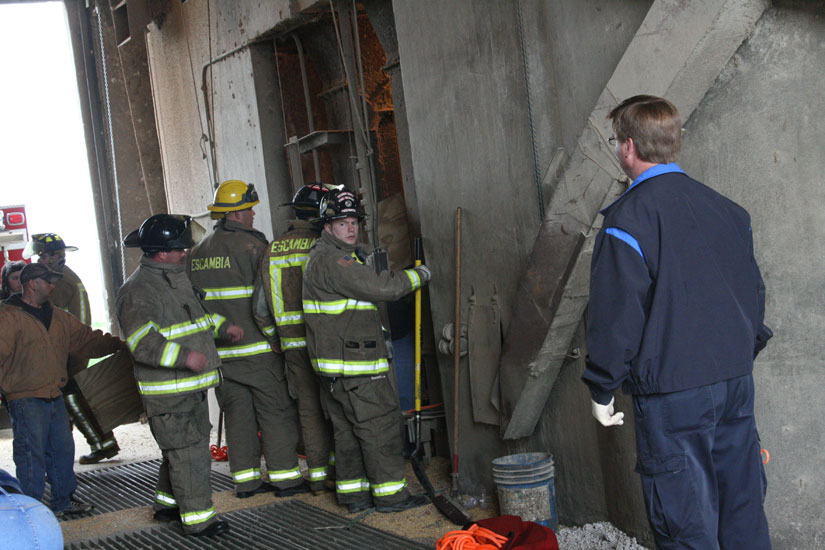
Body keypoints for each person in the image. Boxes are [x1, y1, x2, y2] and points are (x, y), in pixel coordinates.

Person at [581, 95, 772, 549]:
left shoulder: (627, 220)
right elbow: (753, 294)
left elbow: (616, 317)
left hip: (674, 397)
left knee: (686, 524)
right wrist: (738, 356)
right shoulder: (729, 211)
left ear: (628, 146)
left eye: (616, 141)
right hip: (735, 384)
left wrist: (602, 388)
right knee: (743, 512)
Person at [302, 187, 431, 513]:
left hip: (335, 368)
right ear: (327, 226)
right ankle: (392, 496)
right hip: (356, 365)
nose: (351, 228)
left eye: (354, 222)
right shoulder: (336, 261)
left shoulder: (324, 257)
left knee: (348, 432)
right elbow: (381, 287)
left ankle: (354, 495)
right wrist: (419, 275)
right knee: (380, 427)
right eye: (342, 223)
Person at [117, 214, 242, 537]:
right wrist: (186, 357)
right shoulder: (139, 290)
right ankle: (199, 521)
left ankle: (167, 505)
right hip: (168, 393)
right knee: (189, 454)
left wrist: (223, 328)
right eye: (179, 249)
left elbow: (196, 318)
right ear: (161, 253)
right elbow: (143, 343)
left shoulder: (173, 277)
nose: (185, 252)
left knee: (179, 449)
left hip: (188, 389)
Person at [188, 180, 308, 499]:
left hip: (221, 355)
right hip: (257, 351)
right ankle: (285, 479)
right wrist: (275, 338)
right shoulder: (253, 247)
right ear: (236, 214)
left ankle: (246, 482)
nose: (253, 214)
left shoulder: (197, 252)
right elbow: (264, 302)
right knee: (276, 412)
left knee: (238, 417)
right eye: (249, 209)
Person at [0, 263, 122, 517]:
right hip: (25, 398)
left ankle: (63, 502)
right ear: (32, 284)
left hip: (54, 394)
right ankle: (30, 510)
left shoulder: (58, 317)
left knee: (62, 450)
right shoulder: (8, 317)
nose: (53, 286)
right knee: (30, 455)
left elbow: (88, 340)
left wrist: (122, 345)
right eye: (48, 282)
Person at [253, 183, 335, 495]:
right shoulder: (326, 245)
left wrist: (274, 337)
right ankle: (344, 474)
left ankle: (318, 477)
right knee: (338, 408)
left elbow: (259, 308)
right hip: (328, 341)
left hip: (292, 346)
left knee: (309, 411)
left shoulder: (273, 249)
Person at [25, 233, 119, 464]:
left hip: (69, 353)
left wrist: (70, 353)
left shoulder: (62, 282)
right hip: (64, 351)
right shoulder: (55, 279)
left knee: (73, 399)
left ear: (55, 256)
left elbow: (77, 322)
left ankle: (103, 444)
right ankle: (71, 448)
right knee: (64, 402)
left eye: (42, 256)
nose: (39, 261)